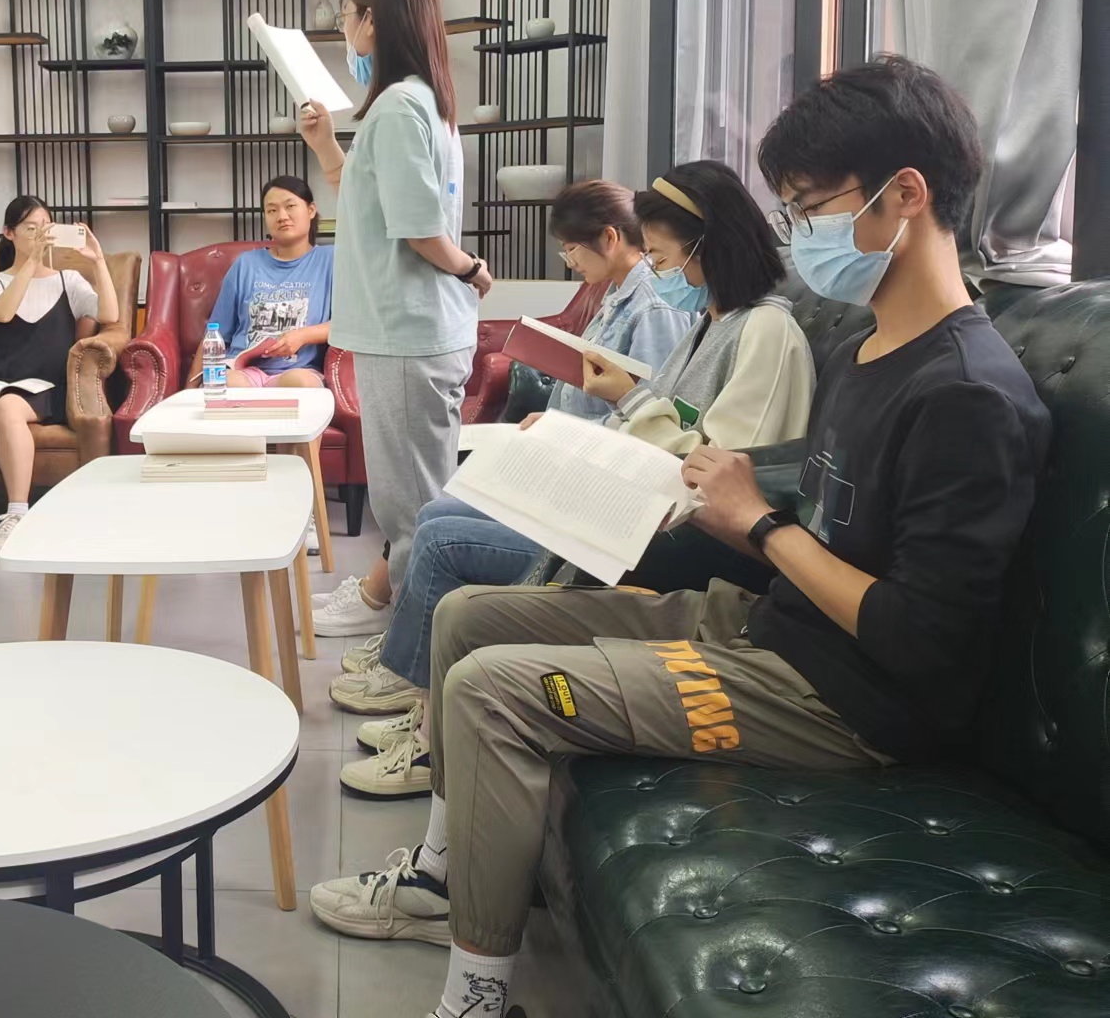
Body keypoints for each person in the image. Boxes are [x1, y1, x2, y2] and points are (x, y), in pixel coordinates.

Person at [307, 57, 1051, 1018]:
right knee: (469, 618)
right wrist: (728, 515)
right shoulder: (871, 349)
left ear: (905, 194)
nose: (802, 236)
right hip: (770, 627)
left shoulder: (968, 394)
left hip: (844, 704)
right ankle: (443, 874)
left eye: (812, 207)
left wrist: (760, 523)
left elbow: (922, 636)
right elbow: (820, 531)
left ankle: (475, 996)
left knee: (493, 691)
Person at [330, 161, 814, 798]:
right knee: (444, 510)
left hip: (653, 528)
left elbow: (716, 466)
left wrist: (622, 408)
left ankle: (425, 726)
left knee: (444, 536)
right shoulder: (712, 321)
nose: (663, 273)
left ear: (710, 245)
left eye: (665, 258)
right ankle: (425, 702)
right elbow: (665, 419)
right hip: (629, 498)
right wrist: (589, 430)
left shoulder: (766, 330)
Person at [309, 179, 696, 639]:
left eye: (571, 250)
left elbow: (647, 417)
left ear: (610, 238)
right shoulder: (617, 294)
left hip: (591, 477)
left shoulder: (654, 308)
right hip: (566, 453)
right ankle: (394, 625)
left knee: (436, 517)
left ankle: (389, 623)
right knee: (433, 508)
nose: (569, 262)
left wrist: (563, 432)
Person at [298, 0, 491, 624]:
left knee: (413, 510)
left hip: (408, 333)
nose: (344, 30)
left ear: (373, 19)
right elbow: (370, 200)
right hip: (412, 331)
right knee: (416, 500)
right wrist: (325, 144)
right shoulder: (416, 105)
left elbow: (417, 231)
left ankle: (413, 647)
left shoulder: (399, 109)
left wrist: (469, 268)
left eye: (347, 16)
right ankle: (402, 619)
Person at [0, 196, 121, 557]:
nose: (39, 235)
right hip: (2, 379)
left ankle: (18, 515)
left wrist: (98, 261)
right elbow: (4, 314)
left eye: (44, 227)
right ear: (9, 233)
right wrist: (31, 262)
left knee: (8, 407)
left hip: (48, 385)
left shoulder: (68, 280)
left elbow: (109, 314)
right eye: (30, 228)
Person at [192, 175, 334, 389]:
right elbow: (215, 333)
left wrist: (303, 336)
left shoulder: (331, 260)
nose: (282, 216)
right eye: (272, 210)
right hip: (243, 371)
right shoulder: (246, 264)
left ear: (311, 210)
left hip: (299, 369)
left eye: (290, 206)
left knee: (302, 384)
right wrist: (188, 390)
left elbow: (350, 324)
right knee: (226, 384)